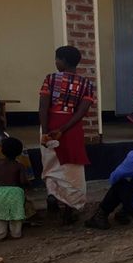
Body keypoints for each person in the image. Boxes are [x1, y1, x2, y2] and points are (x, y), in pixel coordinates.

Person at [39, 46, 95, 225]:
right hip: (71, 129)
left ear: (62, 60)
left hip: (50, 125)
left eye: (57, 59)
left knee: (51, 166)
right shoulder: (87, 84)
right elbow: (81, 112)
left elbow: (43, 106)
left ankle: (52, 197)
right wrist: (63, 129)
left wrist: (47, 130)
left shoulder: (50, 79)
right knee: (72, 170)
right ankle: (69, 210)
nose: (55, 62)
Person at [0, 137, 29, 240]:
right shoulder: (19, 165)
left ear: (2, 150)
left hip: (0, 191)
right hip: (16, 192)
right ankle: (16, 234)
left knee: (0, 214)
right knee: (16, 214)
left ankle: (0, 234)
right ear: (19, 152)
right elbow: (23, 181)